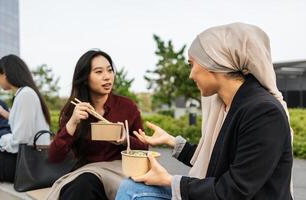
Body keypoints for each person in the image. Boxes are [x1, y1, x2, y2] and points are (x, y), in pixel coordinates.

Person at [116, 23, 293, 200]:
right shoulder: (227, 105)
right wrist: (171, 141)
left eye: (192, 64)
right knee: (131, 186)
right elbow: (214, 160)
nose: (190, 75)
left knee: (132, 191)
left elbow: (235, 191)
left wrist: (170, 180)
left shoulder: (263, 113)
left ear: (215, 61)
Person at [47, 49, 148, 200]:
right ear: (85, 78)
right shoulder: (74, 110)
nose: (107, 77)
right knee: (81, 187)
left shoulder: (127, 106)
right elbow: (55, 156)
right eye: (99, 72)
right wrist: (72, 123)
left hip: (119, 172)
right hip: (87, 173)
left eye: (109, 70)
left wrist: (125, 139)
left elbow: (144, 148)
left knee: (81, 187)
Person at [0, 55, 50, 182]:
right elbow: (24, 124)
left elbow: (20, 139)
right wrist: (3, 112)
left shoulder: (25, 95)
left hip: (26, 163)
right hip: (28, 160)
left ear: (5, 74)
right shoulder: (25, 93)